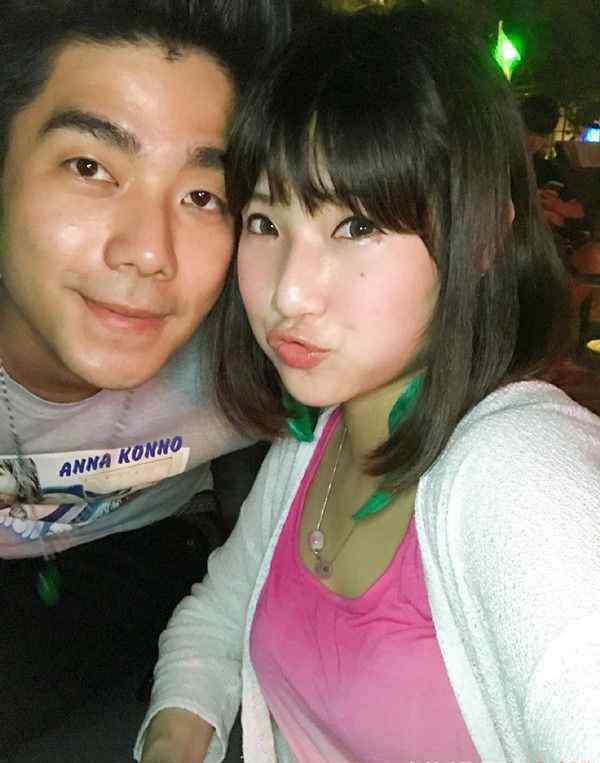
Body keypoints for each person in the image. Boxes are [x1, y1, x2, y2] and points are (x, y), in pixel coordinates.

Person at [136, 7, 600, 763]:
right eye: (264, 222)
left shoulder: (524, 476)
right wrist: (174, 731)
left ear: (483, 236)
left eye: (355, 227)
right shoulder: (317, 435)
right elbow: (221, 612)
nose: (289, 293)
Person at [0, 0, 297, 755]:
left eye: (202, 197)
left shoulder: (262, 346)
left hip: (156, 571)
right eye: (90, 167)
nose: (149, 252)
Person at [520, 94, 588, 251]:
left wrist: (559, 208)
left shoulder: (548, 168)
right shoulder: (501, 167)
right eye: (529, 132)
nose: (534, 141)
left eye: (541, 135)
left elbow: (581, 212)